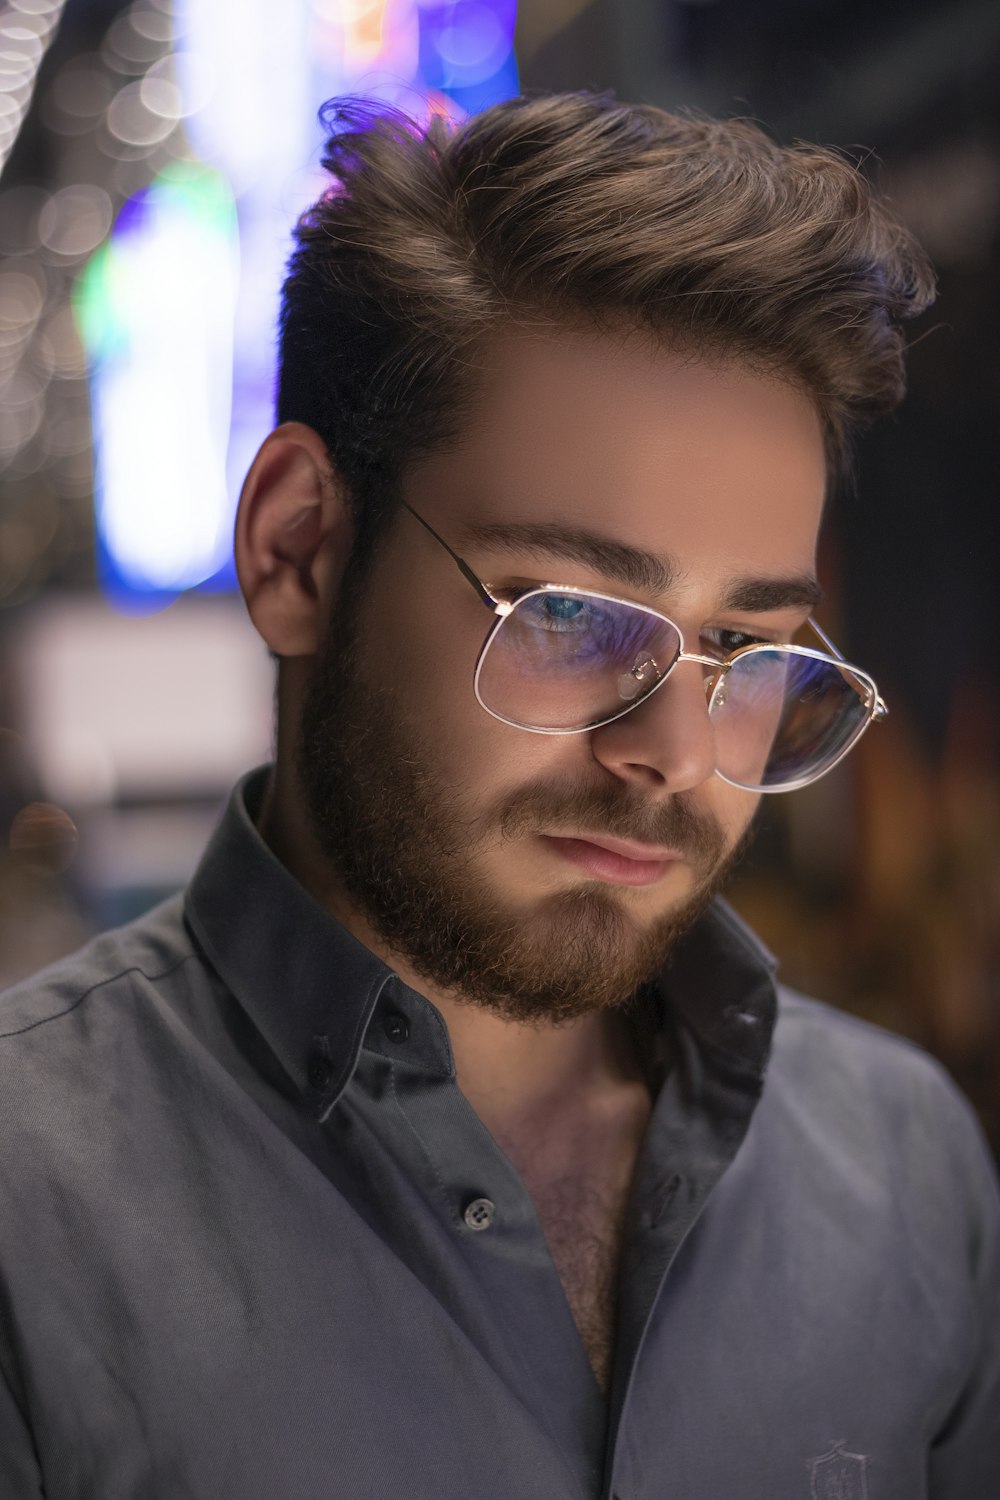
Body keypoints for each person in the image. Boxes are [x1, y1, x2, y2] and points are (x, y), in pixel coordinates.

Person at [1, 92, 997, 1500]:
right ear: (300, 550)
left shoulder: (906, 1174)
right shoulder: (29, 1211)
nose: (671, 752)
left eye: (746, 649)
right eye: (576, 619)